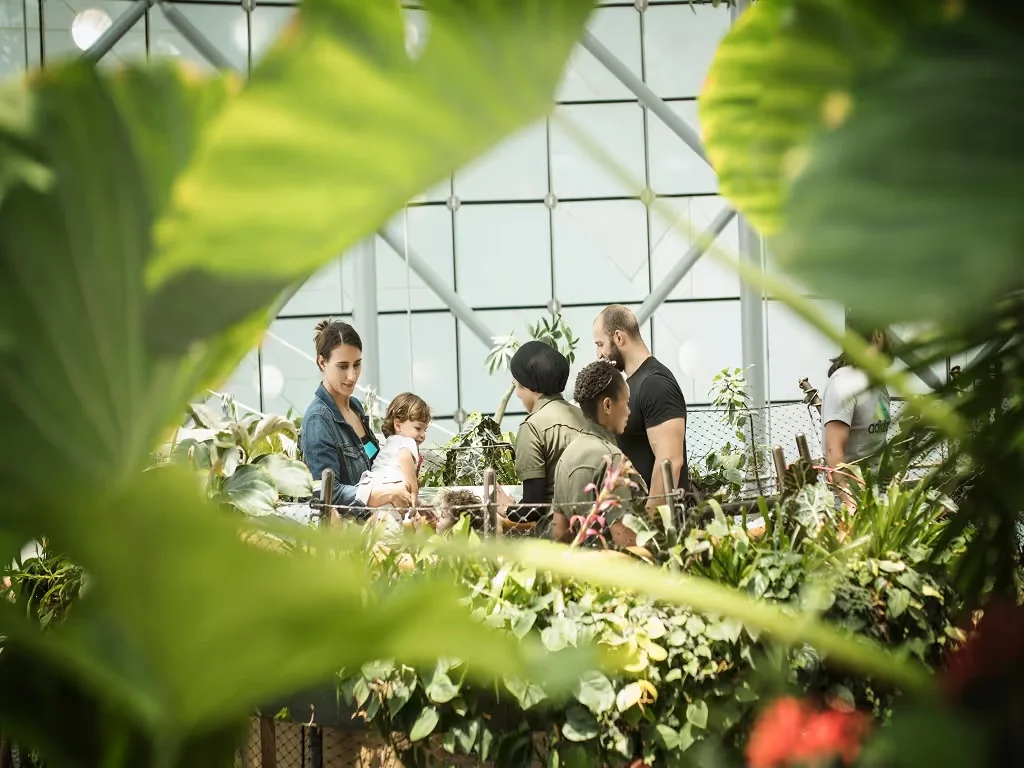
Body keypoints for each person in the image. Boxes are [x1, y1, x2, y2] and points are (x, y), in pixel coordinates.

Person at [301, 319, 413, 517]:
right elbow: (327, 495)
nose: (352, 376)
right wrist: (385, 493)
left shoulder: (355, 408)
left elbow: (373, 461)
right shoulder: (318, 419)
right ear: (322, 362)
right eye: (342, 366)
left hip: (379, 519)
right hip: (350, 529)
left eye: (357, 365)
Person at [592, 305, 688, 508]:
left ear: (619, 337)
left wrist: (649, 521)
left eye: (600, 344)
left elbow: (670, 462)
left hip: (659, 523)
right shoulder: (631, 385)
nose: (598, 354)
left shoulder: (655, 383)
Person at [552, 360, 648, 547]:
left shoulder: (566, 456)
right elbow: (627, 542)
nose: (629, 411)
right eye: (626, 403)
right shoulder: (612, 459)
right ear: (608, 405)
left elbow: (559, 533)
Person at [502, 341, 589, 531]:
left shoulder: (532, 427)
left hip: (556, 534)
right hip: (594, 529)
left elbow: (533, 509)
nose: (517, 394)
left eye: (517, 386)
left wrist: (505, 508)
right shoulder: (587, 418)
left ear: (529, 386)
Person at [822, 321, 892, 506]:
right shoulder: (843, 382)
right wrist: (849, 503)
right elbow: (833, 450)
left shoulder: (877, 381)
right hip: (855, 501)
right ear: (878, 333)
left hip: (881, 499)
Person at [359, 392, 431, 508]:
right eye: (418, 428)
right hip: (391, 484)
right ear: (398, 425)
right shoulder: (408, 441)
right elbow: (404, 456)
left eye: (425, 430)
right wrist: (414, 492)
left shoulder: (390, 442)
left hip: (373, 489)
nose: (423, 435)